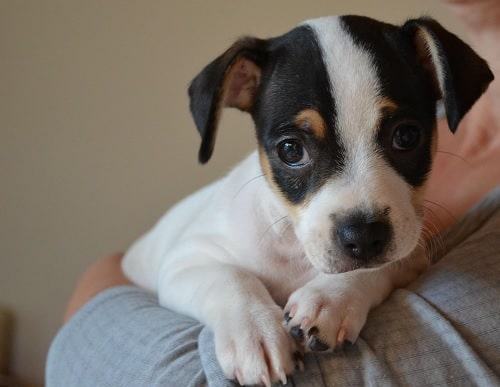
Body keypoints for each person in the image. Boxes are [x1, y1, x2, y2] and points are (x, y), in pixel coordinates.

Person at [46, 1, 500, 385]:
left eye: (402, 138)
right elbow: (180, 269)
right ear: (239, 89)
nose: (361, 212)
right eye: (292, 149)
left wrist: (357, 281)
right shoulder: (236, 225)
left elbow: (404, 265)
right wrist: (238, 302)